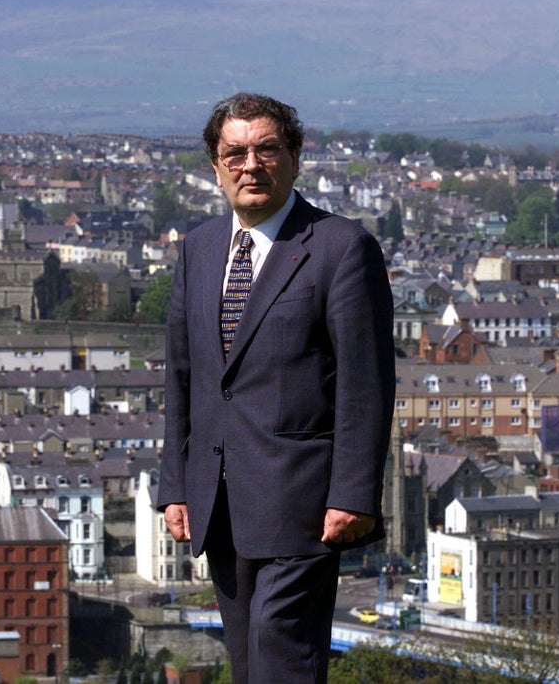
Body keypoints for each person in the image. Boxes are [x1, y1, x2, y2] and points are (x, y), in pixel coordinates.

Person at [157, 92, 395, 683]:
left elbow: (366, 384)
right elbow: (182, 378)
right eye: (234, 153)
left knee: (281, 652)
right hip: (219, 499)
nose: (250, 165)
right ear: (215, 167)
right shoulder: (198, 250)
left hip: (303, 500)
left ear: (294, 158)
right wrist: (175, 487)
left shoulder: (341, 248)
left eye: (267, 149)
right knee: (247, 661)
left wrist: (355, 493)